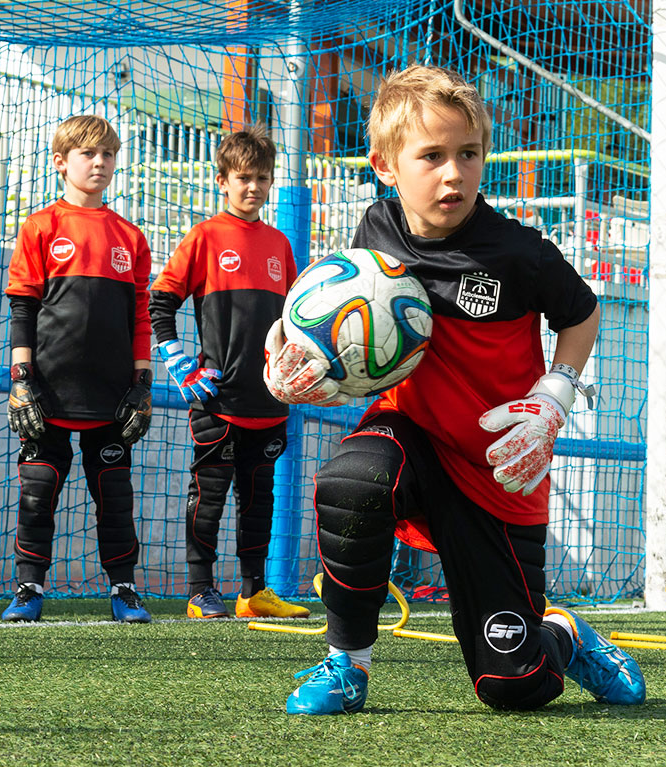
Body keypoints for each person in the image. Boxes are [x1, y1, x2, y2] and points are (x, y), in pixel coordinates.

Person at [264, 65, 646, 714]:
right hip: (408, 435)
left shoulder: (518, 252)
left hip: (498, 470)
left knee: (513, 686)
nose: (453, 173)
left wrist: (554, 395)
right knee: (349, 481)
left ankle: (565, 632)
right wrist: (286, 355)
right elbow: (330, 314)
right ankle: (345, 663)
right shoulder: (374, 230)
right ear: (385, 165)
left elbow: (580, 315)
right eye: (432, 156)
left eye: (467, 154)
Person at [149, 125, 310, 621]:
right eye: (243, 178)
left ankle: (253, 592)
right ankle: (201, 590)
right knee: (210, 496)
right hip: (216, 400)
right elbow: (160, 301)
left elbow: (297, 318)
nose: (253, 188)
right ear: (222, 180)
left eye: (262, 178)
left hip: (268, 402)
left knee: (259, 500)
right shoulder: (205, 237)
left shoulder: (281, 245)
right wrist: (181, 366)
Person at [2, 114, 153, 624]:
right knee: (38, 489)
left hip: (111, 395)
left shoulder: (130, 236)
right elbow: (23, 308)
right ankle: (28, 586)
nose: (100, 163)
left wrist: (142, 383)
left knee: (115, 493)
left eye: (108, 154)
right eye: (89, 154)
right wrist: (22, 382)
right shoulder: (41, 226)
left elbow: (139, 316)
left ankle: (125, 588)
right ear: (61, 163)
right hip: (49, 390)